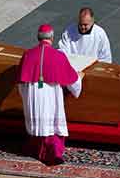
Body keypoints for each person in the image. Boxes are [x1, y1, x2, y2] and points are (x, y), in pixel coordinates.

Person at [17, 24, 83, 166]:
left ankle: (36, 149)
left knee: (37, 122)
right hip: (50, 95)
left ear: (38, 37)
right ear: (52, 38)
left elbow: (21, 84)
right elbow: (73, 81)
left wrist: (27, 97)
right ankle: (53, 153)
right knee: (51, 122)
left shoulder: (28, 55)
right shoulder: (58, 56)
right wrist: (79, 78)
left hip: (33, 95)